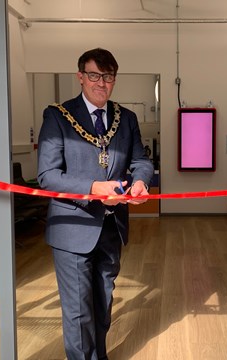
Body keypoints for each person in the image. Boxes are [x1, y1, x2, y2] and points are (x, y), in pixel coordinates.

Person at [37, 48, 154, 360]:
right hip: (73, 226)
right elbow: (48, 176)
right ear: (80, 77)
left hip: (111, 226)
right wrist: (93, 187)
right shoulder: (58, 116)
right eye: (94, 75)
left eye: (108, 77)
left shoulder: (125, 118)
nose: (101, 83)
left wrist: (141, 180)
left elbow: (141, 160)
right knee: (78, 312)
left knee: (102, 304)